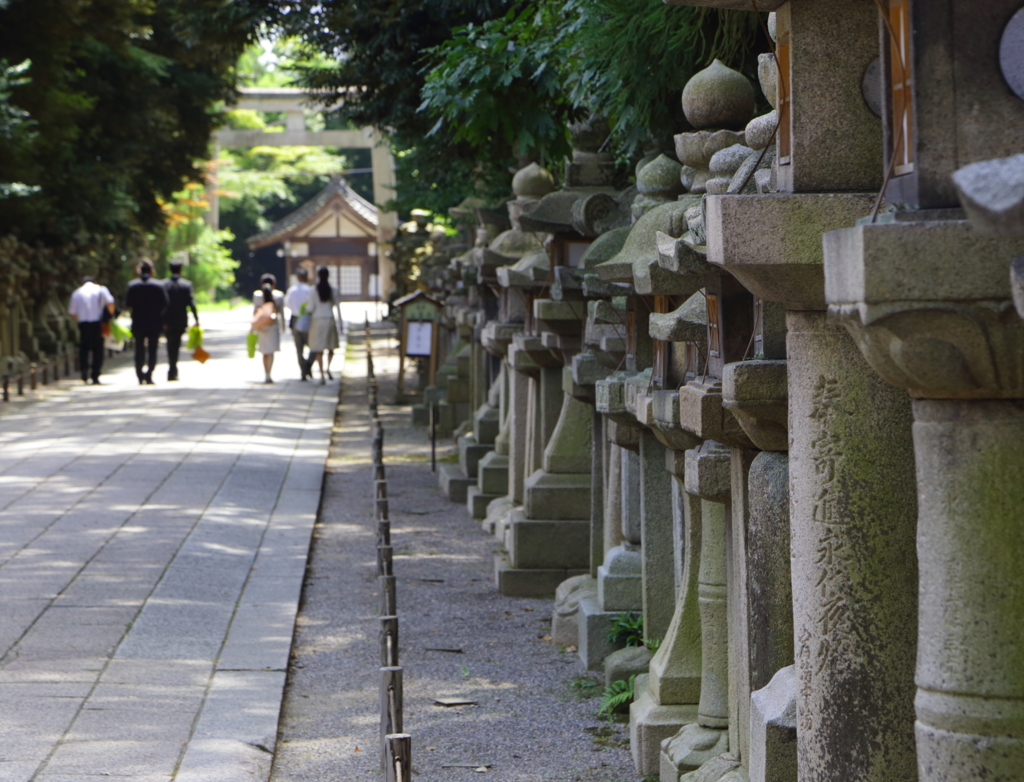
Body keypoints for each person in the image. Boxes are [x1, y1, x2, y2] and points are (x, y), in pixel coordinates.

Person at [125, 259, 169, 385]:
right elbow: (165, 304)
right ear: (152, 270)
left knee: (139, 349)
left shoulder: (132, 285)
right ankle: (149, 374)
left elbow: (128, 303)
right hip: (154, 322)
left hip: (138, 322)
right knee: (152, 349)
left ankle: (139, 375)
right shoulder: (159, 285)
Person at [68, 276, 115, 385]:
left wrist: (80, 319)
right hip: (97, 323)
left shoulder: (77, 293)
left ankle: (84, 372)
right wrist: (110, 316)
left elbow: (72, 312)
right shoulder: (101, 289)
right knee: (98, 349)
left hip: (83, 324)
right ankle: (95, 375)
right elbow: (111, 302)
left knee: (84, 348)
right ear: (95, 282)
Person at [163, 261, 199, 381]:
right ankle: (173, 368)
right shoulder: (186, 285)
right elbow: (191, 303)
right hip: (180, 320)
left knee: (169, 344)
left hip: (167, 320)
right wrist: (196, 318)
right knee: (176, 344)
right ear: (181, 270)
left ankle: (171, 368)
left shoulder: (164, 284)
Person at [305, 266, 341, 385]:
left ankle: (321, 375)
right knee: (331, 347)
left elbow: (310, 308)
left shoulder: (313, 290)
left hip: (317, 321)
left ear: (318, 276)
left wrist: (305, 306)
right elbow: (338, 308)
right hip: (330, 320)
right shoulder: (334, 290)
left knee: (319, 349)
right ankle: (328, 368)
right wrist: (340, 324)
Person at [252, 273, 285, 384]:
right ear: (274, 284)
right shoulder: (279, 296)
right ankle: (269, 373)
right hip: (273, 327)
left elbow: (255, 312)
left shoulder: (257, 295)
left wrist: (253, 327)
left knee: (264, 352)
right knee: (270, 352)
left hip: (261, 327)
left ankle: (266, 373)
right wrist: (283, 327)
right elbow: (281, 313)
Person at [284, 266, 313, 381]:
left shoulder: (292, 291)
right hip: (308, 319)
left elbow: (288, 304)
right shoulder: (310, 290)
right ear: (307, 277)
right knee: (313, 346)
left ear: (297, 278)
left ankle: (303, 370)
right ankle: (308, 366)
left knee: (299, 347)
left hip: (295, 319)